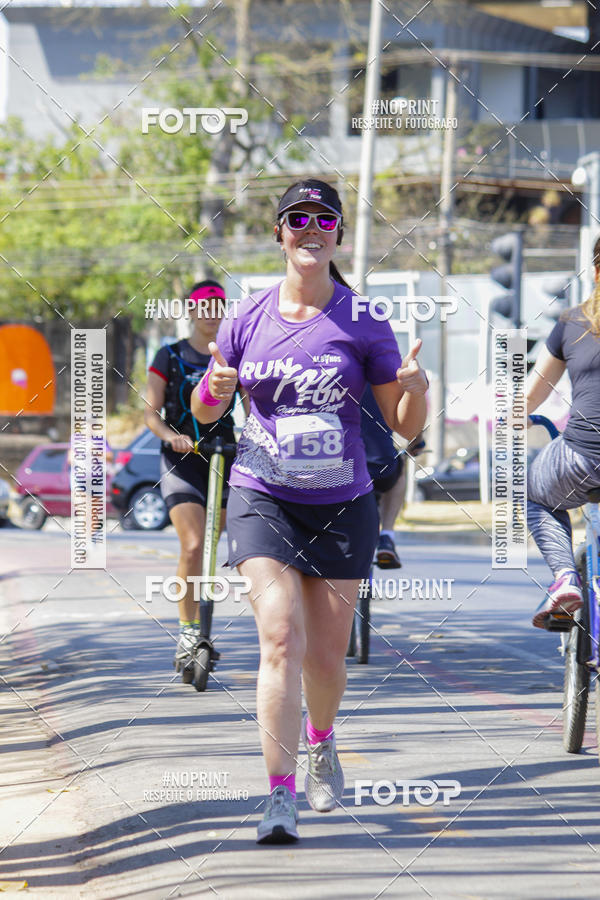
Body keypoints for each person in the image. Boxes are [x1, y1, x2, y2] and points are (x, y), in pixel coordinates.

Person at [191, 179, 428, 843]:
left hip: (342, 504)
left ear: (339, 237)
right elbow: (204, 410)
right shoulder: (245, 319)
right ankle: (278, 795)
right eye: (298, 219)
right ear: (280, 233)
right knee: (280, 638)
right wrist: (213, 387)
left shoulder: (362, 322)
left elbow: (402, 426)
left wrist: (419, 390)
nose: (310, 228)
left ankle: (322, 740)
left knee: (326, 661)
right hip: (262, 496)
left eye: (324, 219)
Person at [145, 280, 246, 670]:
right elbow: (150, 413)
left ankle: (205, 626)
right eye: (202, 306)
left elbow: (251, 405)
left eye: (217, 306)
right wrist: (172, 437)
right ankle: (188, 630)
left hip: (225, 456)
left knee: (213, 551)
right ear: (189, 310)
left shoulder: (231, 356)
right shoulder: (168, 355)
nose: (210, 313)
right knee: (193, 545)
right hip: (182, 460)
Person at [527, 238, 600, 629]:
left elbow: (530, 395)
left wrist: (512, 418)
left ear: (595, 271)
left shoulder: (573, 321)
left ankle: (565, 578)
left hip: (582, 457)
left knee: (533, 491)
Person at [360, 384, 426, 568]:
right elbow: (413, 421)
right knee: (398, 468)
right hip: (380, 468)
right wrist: (417, 442)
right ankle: (386, 536)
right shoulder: (389, 377)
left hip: (340, 466)